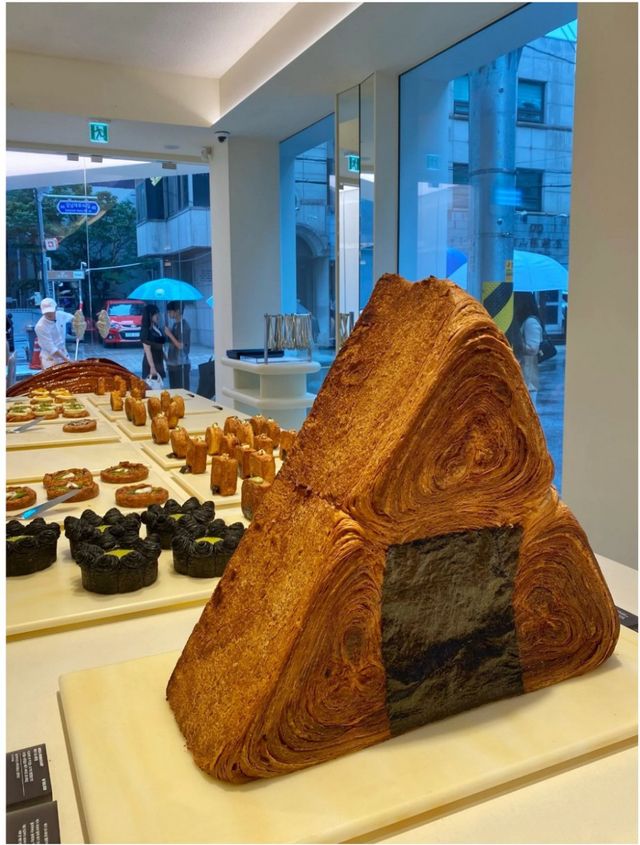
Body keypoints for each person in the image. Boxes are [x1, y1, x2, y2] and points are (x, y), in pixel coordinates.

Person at [514, 292, 543, 407]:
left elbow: (533, 349)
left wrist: (516, 343)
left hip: (528, 377)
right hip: (523, 377)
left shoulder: (530, 322)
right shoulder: (523, 321)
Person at [35, 298, 70, 369]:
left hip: (64, 354)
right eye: (46, 312)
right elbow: (52, 349)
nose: (49, 314)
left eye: (51, 311)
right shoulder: (40, 326)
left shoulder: (60, 315)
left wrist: (78, 322)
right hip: (49, 359)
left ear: (55, 309)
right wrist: (67, 360)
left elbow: (75, 319)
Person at [164, 301, 191, 389]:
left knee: (182, 391)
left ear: (178, 311)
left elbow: (181, 346)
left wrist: (169, 334)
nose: (168, 314)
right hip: (172, 364)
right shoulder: (175, 324)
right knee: (173, 390)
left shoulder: (184, 326)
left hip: (181, 365)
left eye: (170, 311)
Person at [140, 304, 166, 383]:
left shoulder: (156, 328)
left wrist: (166, 359)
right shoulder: (145, 331)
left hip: (159, 361)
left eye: (158, 313)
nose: (158, 316)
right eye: (155, 314)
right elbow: (147, 350)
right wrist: (152, 367)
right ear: (150, 315)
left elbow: (161, 346)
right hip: (151, 363)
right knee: (153, 386)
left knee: (159, 384)